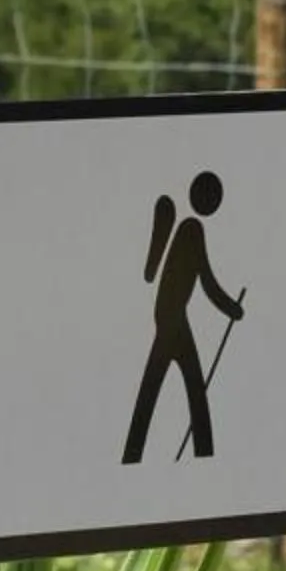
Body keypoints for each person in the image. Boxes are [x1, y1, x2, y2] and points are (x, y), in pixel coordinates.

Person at [121, 170, 245, 464]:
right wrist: (232, 308)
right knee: (185, 388)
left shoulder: (186, 227)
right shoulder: (191, 229)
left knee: (171, 387)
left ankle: (191, 452)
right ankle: (197, 451)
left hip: (171, 318)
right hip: (172, 321)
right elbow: (207, 280)